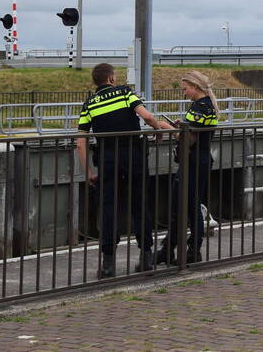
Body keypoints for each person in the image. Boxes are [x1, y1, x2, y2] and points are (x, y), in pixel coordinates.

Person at [76, 63, 173, 278]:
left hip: (107, 157)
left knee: (109, 207)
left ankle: (108, 265)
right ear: (111, 78)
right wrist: (157, 130)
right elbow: (146, 116)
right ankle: (146, 257)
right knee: (140, 203)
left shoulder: (89, 104)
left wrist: (89, 172)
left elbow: (80, 142)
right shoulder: (124, 93)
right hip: (133, 154)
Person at [157, 70, 218, 265]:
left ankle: (184, 250)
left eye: (185, 89)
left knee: (185, 206)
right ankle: (179, 249)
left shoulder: (200, 107)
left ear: (195, 87)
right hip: (197, 160)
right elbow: (193, 131)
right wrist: (182, 125)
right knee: (187, 206)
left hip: (194, 160)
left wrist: (170, 129)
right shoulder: (203, 105)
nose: (183, 92)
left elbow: (189, 139)